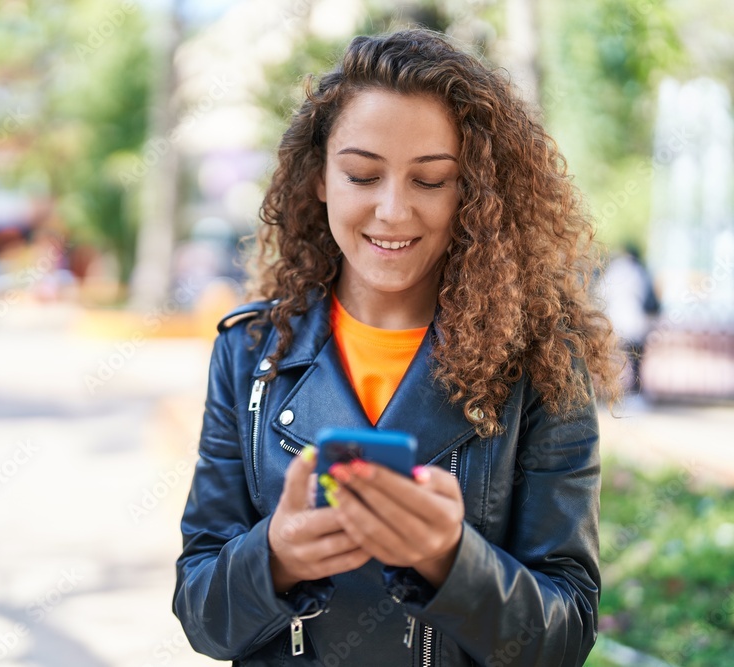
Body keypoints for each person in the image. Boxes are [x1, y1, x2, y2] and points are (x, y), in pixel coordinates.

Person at [173, 29, 620, 667]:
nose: (392, 209)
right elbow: (202, 615)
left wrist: (450, 561)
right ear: (320, 177)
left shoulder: (543, 364)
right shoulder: (250, 355)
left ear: (473, 191)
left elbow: (564, 635)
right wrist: (276, 557)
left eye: (431, 181)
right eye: (362, 174)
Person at [601, 242, 659, 394]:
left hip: (616, 320)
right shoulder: (639, 270)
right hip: (635, 321)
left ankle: (615, 389)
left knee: (614, 358)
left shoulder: (614, 270)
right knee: (635, 359)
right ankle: (635, 388)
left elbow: (602, 294)